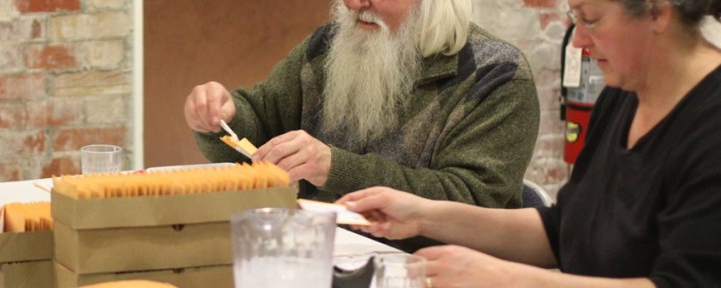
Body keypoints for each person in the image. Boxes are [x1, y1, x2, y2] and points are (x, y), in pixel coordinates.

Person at [337, 0, 721, 286]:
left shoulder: (709, 124)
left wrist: (508, 278)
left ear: (658, 12)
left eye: (591, 19)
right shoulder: (624, 96)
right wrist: (422, 215)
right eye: (575, 20)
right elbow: (562, 231)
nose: (579, 41)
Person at [183, 0, 539, 251]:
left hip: (431, 269)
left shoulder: (496, 76)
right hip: (314, 258)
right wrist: (223, 118)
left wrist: (336, 168)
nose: (354, 3)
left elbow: (474, 204)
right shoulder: (327, 47)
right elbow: (257, 133)